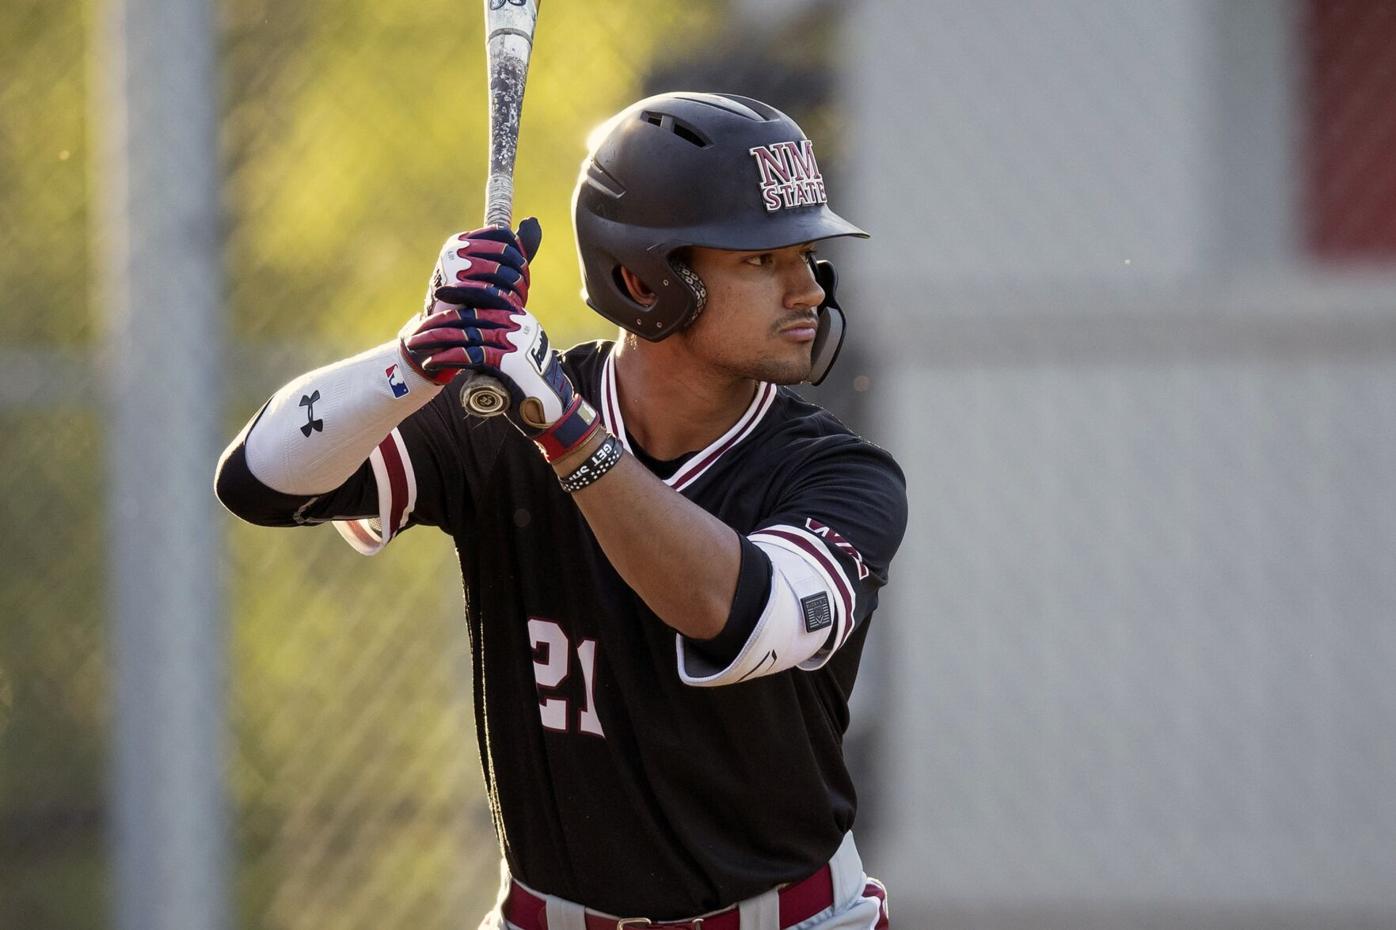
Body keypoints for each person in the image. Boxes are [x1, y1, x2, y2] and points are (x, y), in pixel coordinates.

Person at [216, 91, 907, 930]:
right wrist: (415, 356)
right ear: (642, 280)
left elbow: (733, 614)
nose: (808, 288)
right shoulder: (505, 418)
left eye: (804, 253)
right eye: (761, 260)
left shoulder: (840, 474)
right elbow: (260, 481)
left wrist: (569, 434)